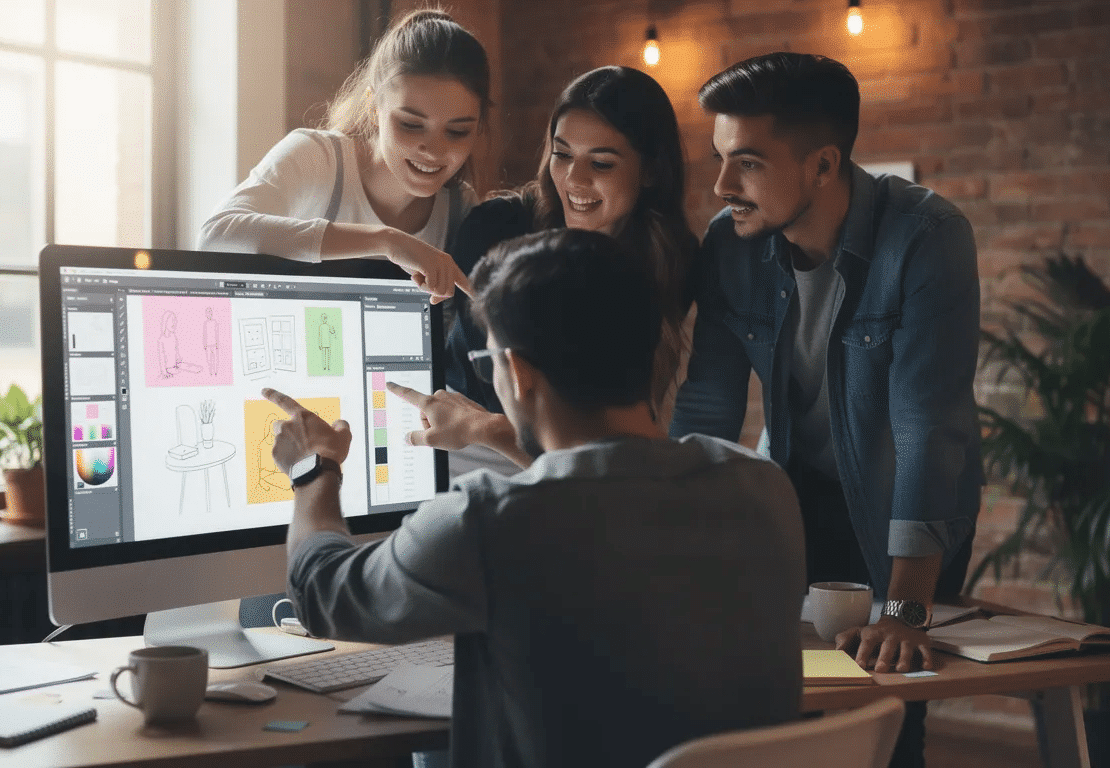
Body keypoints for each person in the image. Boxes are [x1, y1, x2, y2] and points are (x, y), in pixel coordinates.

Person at [267, 229, 806, 768]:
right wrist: (495, 431)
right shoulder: (762, 488)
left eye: (491, 364)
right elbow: (607, 492)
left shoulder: (489, 522)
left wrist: (316, 466)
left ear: (518, 373)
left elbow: (320, 594)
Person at [669, 53, 983, 768]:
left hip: (906, 504)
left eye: (745, 163)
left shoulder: (928, 238)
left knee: (886, 710)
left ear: (821, 164)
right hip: (798, 494)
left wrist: (904, 609)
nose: (721, 187)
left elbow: (927, 426)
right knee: (781, 703)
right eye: (720, 160)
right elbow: (708, 402)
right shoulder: (731, 242)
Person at [444, 65, 697, 421]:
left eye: (601, 163)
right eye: (562, 155)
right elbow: (502, 397)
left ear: (652, 171)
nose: (574, 180)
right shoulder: (494, 230)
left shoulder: (670, 257)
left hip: (583, 447)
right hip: (469, 435)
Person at [199, 9, 488, 304]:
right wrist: (387, 241)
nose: (434, 150)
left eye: (457, 132)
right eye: (411, 125)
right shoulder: (317, 158)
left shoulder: (458, 208)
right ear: (374, 108)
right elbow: (216, 236)